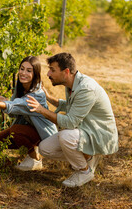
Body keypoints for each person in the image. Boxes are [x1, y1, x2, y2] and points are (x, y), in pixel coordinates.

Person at [26, 52, 118, 187]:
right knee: (45, 148)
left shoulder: (86, 89)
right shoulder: (71, 85)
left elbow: (70, 122)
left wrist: (41, 110)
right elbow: (70, 106)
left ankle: (84, 171)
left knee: (65, 136)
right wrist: (49, 98)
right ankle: (86, 156)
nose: (48, 74)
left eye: (52, 70)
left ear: (66, 72)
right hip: (86, 130)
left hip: (99, 135)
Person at [0, 56, 58, 171]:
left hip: (44, 134)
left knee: (15, 130)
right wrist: (4, 100)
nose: (23, 73)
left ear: (35, 74)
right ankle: (32, 151)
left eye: (29, 71)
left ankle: (35, 160)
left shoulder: (37, 94)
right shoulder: (20, 87)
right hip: (29, 128)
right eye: (22, 68)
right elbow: (15, 109)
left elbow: (14, 106)